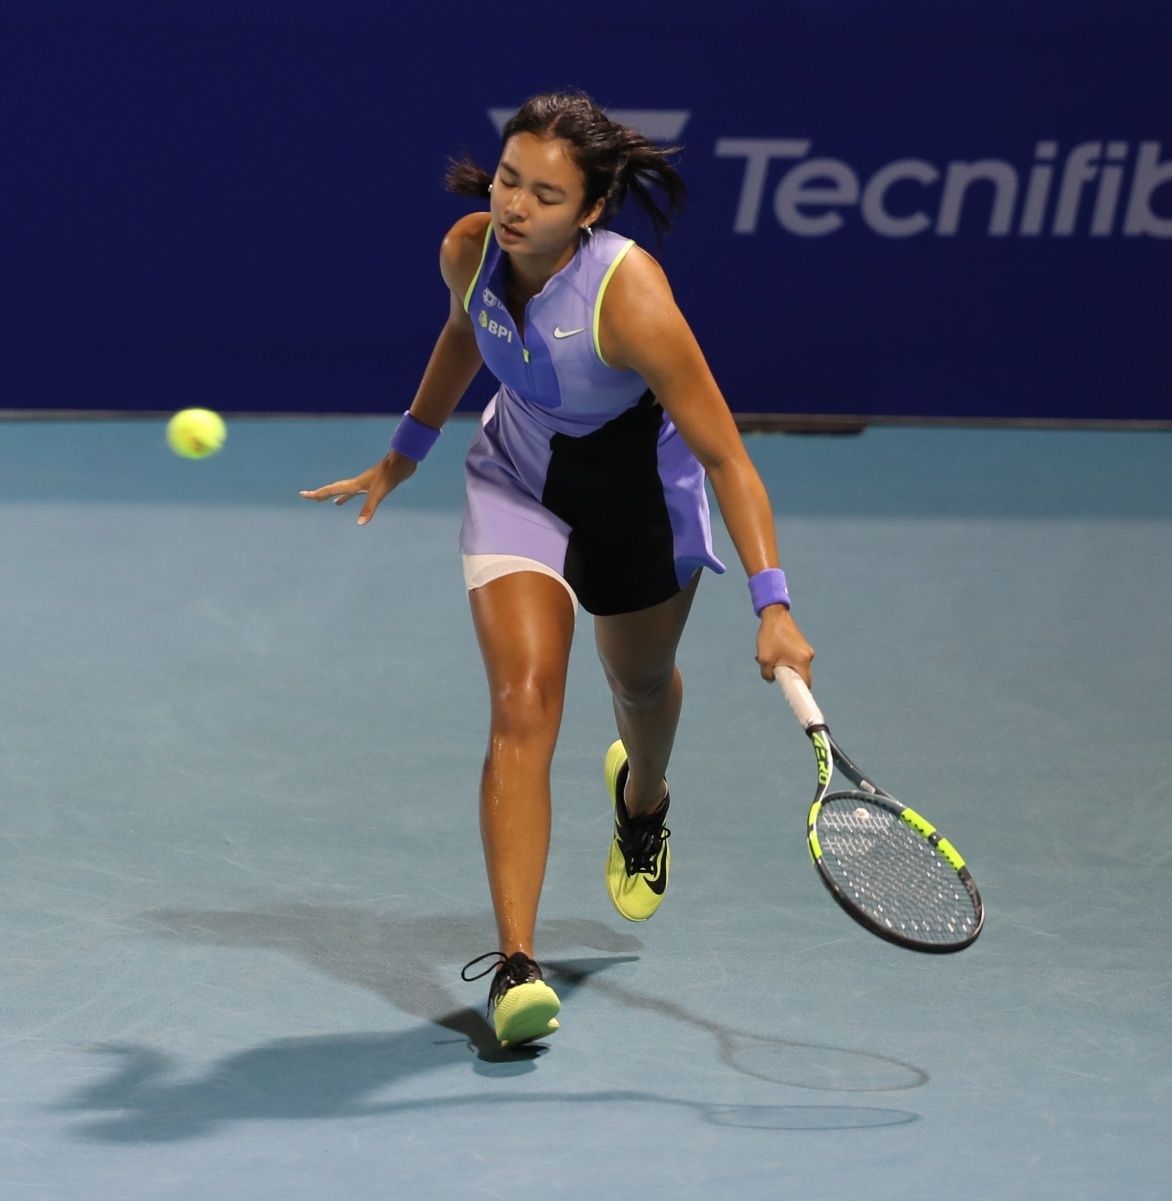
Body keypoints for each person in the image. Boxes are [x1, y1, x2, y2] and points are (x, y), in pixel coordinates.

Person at [301, 92, 814, 1050]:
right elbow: (466, 332)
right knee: (525, 701)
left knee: (641, 682)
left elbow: (728, 459)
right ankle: (516, 965)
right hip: (517, 483)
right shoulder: (470, 249)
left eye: (544, 193)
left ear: (588, 210)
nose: (515, 206)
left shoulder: (633, 300)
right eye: (507, 180)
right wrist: (405, 451)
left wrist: (771, 602)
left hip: (638, 512)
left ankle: (644, 800)